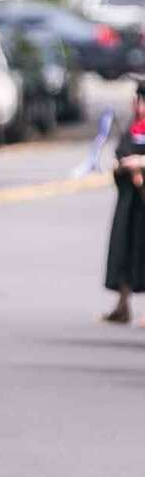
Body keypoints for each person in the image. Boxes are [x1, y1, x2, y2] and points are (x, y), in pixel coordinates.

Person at [102, 80, 145, 324]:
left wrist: (141, 164)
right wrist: (124, 165)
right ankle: (122, 304)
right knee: (123, 251)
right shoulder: (135, 127)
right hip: (130, 202)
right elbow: (122, 151)